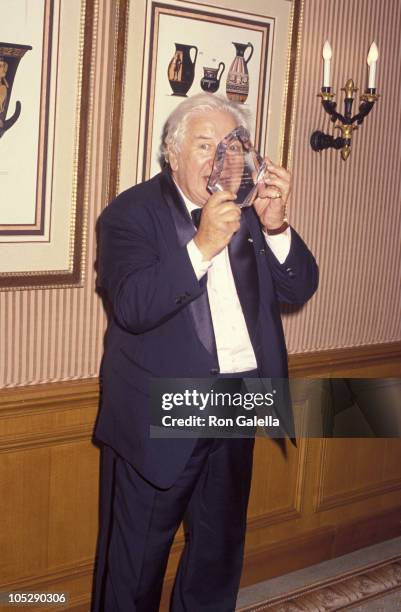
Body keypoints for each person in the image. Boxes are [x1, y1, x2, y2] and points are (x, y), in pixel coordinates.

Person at [92, 93, 318, 611]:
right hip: (160, 413)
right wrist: (201, 246)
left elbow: (298, 288)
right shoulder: (130, 214)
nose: (219, 157)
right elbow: (131, 306)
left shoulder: (251, 211)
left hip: (237, 405)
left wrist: (277, 223)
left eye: (229, 145)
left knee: (217, 558)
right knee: (133, 569)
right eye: (202, 144)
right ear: (172, 154)